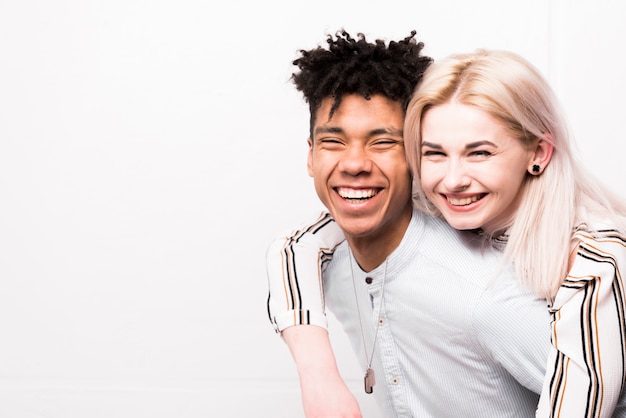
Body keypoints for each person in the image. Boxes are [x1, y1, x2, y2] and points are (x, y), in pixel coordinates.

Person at [267, 30, 550, 417]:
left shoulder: (484, 295)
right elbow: (291, 247)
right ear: (311, 156)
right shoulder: (326, 257)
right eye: (333, 142)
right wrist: (319, 376)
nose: (354, 164)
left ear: (416, 155)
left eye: (382, 142)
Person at [403, 48, 626, 417]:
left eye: (480, 153)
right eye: (435, 154)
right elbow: (310, 238)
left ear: (538, 153)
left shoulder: (596, 260)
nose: (453, 180)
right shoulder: (441, 204)